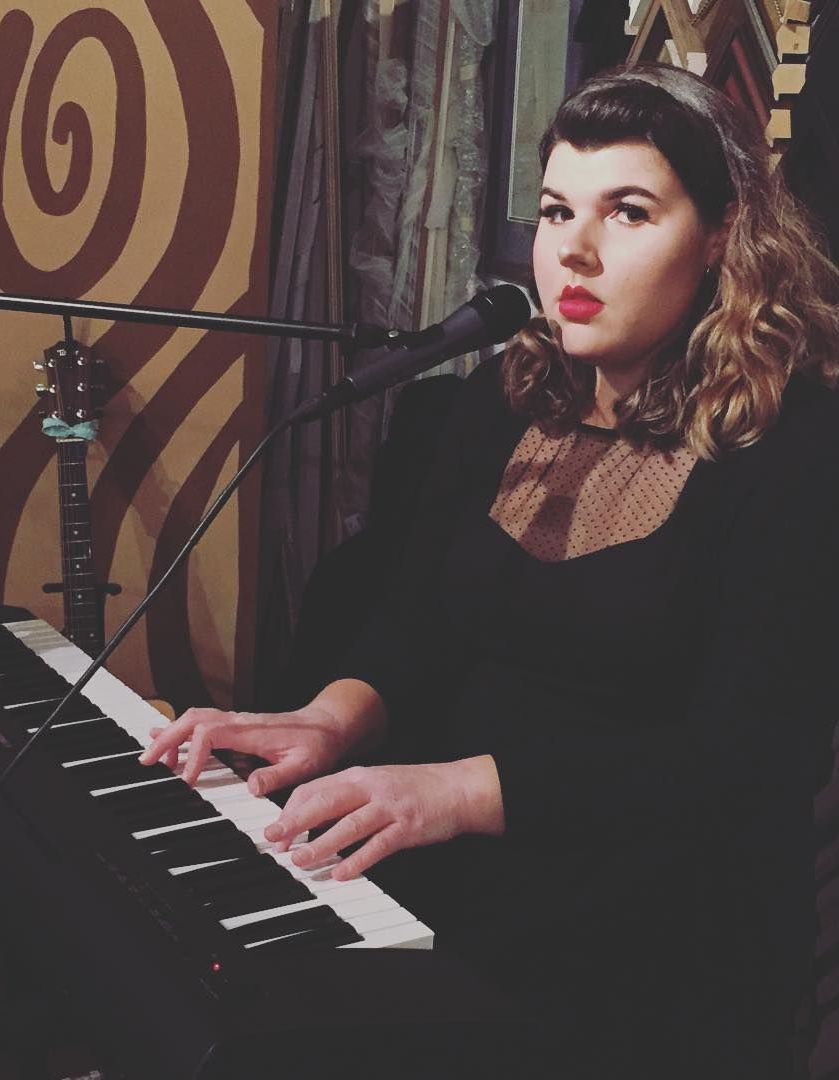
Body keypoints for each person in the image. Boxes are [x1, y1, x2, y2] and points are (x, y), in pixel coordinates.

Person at [141, 63, 839, 1077]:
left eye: (629, 212)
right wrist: (330, 718)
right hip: (456, 879)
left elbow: (739, 764)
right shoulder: (504, 401)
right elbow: (417, 621)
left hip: (664, 943)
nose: (575, 251)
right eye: (557, 211)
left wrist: (458, 793)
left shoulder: (796, 447)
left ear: (723, 235)